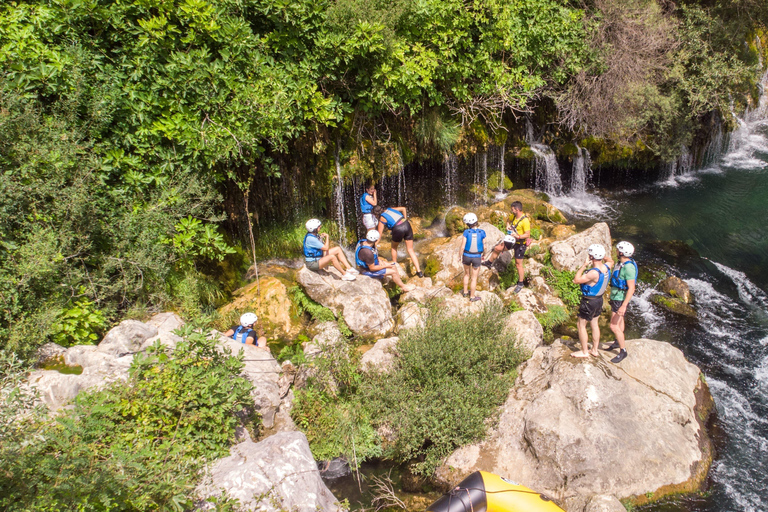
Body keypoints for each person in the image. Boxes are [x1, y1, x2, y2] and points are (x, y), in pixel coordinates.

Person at [572, 244, 611, 358]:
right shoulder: (607, 266)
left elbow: (576, 280)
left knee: (581, 325)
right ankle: (594, 349)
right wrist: (603, 257)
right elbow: (610, 260)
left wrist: (584, 265)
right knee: (594, 324)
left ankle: (584, 352)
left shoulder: (593, 273)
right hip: (599, 300)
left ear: (591, 257)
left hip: (589, 302)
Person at [483, 201, 530, 293]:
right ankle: (489, 263)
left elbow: (527, 234)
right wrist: (508, 226)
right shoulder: (513, 216)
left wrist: (518, 236)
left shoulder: (525, 221)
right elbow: (508, 220)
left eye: (512, 209)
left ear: (517, 209)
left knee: (518, 264)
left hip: (520, 243)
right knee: (497, 248)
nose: (511, 211)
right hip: (511, 240)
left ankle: (520, 283)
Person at [604, 241, 637, 363]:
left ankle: (623, 351)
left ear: (622, 252)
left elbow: (631, 288)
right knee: (620, 321)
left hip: (619, 299)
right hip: (616, 297)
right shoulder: (621, 263)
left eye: (617, 250)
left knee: (613, 326)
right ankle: (618, 342)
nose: (616, 251)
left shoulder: (628, 268)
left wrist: (623, 305)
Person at [372, 205, 424, 278]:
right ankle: (419, 271)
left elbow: (379, 235)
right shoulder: (389, 209)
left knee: (393, 248)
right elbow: (403, 208)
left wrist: (373, 245)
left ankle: (395, 265)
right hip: (406, 224)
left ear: (376, 214)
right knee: (410, 249)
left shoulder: (382, 218)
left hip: (398, 229)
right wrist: (405, 218)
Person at [460, 212, 486, 302]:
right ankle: (472, 297)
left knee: (466, 274)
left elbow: (462, 246)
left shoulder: (466, 232)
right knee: (474, 278)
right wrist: (484, 254)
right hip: (477, 257)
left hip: (466, 256)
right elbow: (485, 246)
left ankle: (465, 292)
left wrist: (459, 256)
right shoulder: (482, 232)